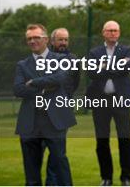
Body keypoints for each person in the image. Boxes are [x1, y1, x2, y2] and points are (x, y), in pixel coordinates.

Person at [14, 24, 76, 186]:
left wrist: (34, 82)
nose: (32, 41)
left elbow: (60, 79)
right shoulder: (22, 65)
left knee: (60, 164)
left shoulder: (61, 59)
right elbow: (18, 89)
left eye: (36, 37)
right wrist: (44, 88)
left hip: (55, 121)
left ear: (46, 40)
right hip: (30, 122)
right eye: (29, 39)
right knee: (31, 171)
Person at [86, 20, 130, 186]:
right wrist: (113, 66)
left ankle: (126, 177)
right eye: (110, 30)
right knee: (102, 140)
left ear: (119, 33)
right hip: (100, 101)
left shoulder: (127, 50)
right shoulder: (94, 52)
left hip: (120, 99)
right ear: (103, 33)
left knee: (124, 138)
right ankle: (106, 177)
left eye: (115, 30)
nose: (113, 33)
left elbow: (126, 68)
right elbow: (92, 72)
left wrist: (104, 66)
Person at [43, 27, 81, 186]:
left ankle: (53, 183)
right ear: (52, 41)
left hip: (62, 110)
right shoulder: (43, 58)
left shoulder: (74, 60)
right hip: (42, 110)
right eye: (60, 40)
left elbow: (75, 83)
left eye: (66, 39)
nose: (63, 43)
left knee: (58, 151)